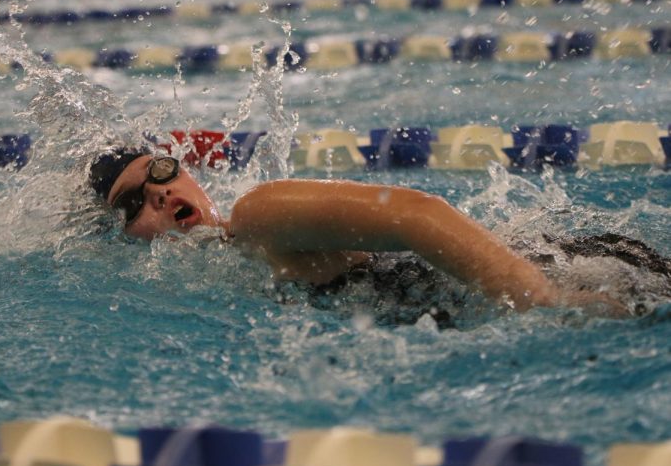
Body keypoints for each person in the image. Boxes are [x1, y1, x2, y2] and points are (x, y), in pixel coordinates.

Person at [89, 147, 643, 316]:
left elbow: (418, 214)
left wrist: (543, 299)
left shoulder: (260, 216)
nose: (158, 193)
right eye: (133, 203)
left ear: (186, 173)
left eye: (158, 173)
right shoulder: (224, 278)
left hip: (566, 276)